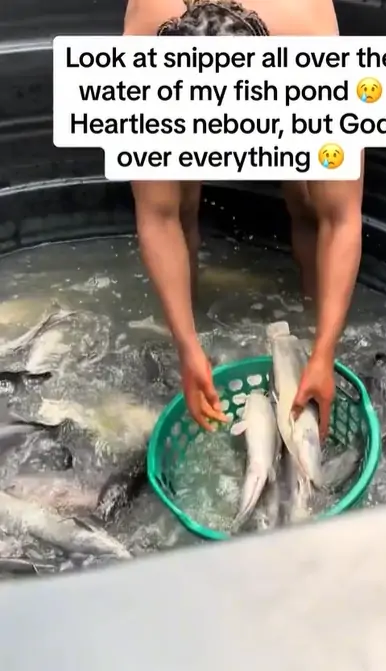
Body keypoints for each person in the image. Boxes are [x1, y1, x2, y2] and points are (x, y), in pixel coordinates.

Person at [124, 0, 363, 438]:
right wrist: (187, 348)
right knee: (178, 200)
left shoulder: (316, 53)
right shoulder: (146, 42)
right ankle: (190, 321)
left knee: (310, 202)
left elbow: (341, 219)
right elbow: (158, 219)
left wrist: (325, 352)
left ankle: (314, 322)